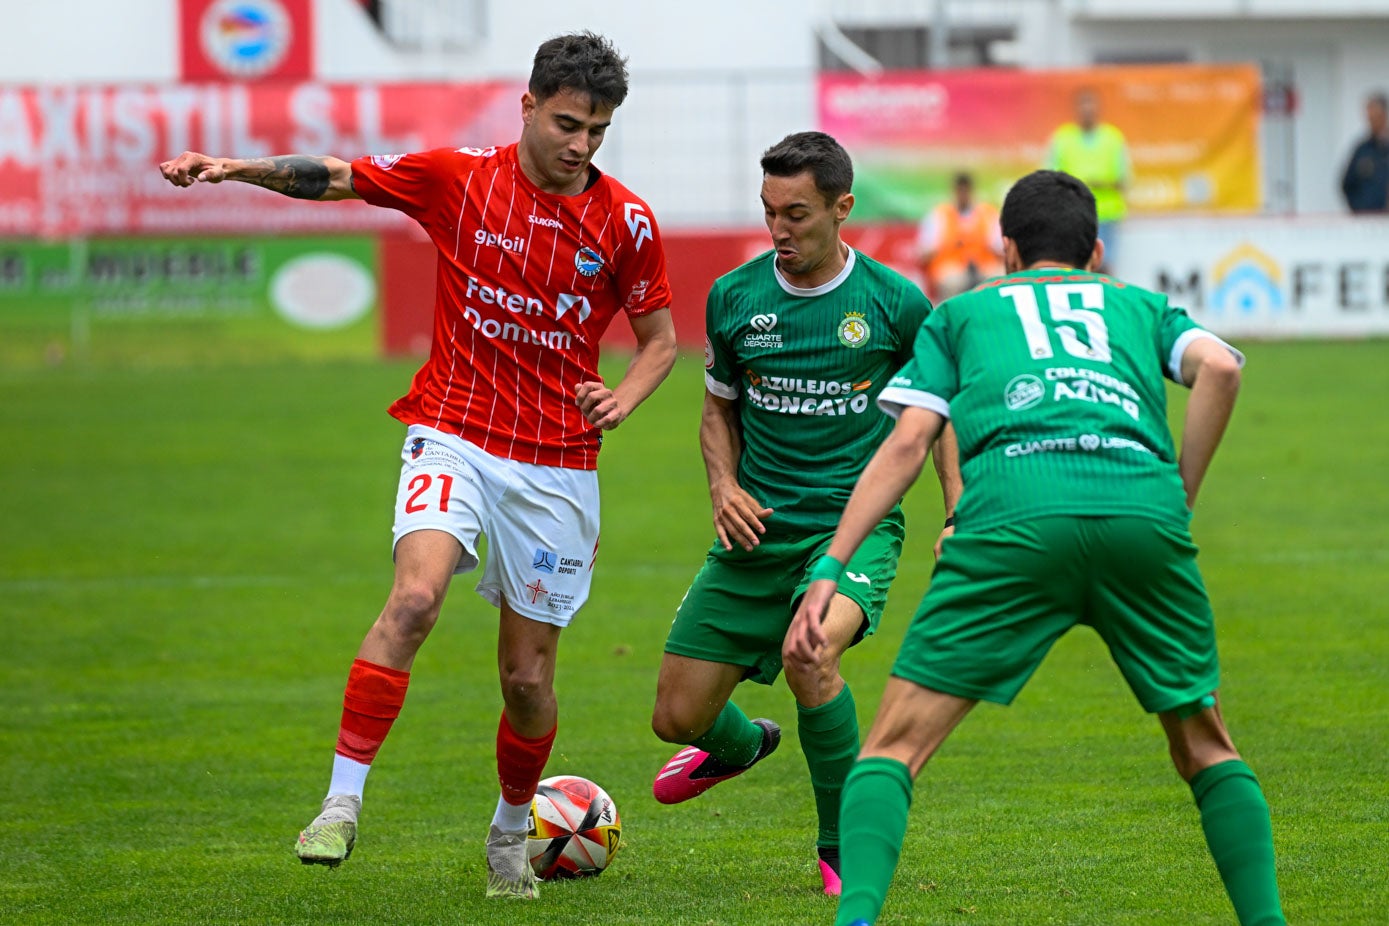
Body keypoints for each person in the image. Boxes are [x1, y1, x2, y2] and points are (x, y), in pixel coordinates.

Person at [158, 31, 677, 900]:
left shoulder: (623, 221)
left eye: (596, 129)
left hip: (556, 464)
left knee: (526, 680)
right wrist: (232, 168)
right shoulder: (458, 178)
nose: (580, 144)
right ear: (527, 106)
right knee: (414, 599)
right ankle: (339, 805)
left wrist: (623, 396)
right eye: (566, 123)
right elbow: (336, 176)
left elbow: (659, 341)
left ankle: (512, 831)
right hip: (454, 429)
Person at [787, 170, 1286, 926]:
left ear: (1007, 248)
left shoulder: (961, 313)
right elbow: (1218, 366)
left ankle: (854, 918)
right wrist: (1176, 496)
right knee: (1205, 747)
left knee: (891, 750)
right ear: (1094, 252)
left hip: (1010, 520)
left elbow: (909, 444)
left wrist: (829, 568)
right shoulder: (1136, 303)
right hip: (1139, 518)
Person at [648, 131, 959, 897]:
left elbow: (940, 411)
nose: (778, 231)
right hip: (756, 533)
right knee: (675, 718)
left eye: (796, 214)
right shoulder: (735, 297)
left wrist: (958, 509)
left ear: (841, 208)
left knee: (809, 651)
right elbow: (716, 412)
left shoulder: (892, 303)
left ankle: (843, 844)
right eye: (768, 213)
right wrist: (723, 487)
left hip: (853, 527)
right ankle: (740, 745)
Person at [1046, 87, 1131, 273]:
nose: (1087, 110)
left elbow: (1124, 180)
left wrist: (1099, 184)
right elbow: (1049, 179)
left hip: (1106, 215)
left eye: (1091, 105)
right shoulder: (1062, 138)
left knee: (1103, 268)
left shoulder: (1113, 138)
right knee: (1074, 267)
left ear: (1098, 109)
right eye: (1083, 106)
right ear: (1076, 109)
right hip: (1071, 216)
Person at [914, 171, 1003, 303]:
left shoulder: (988, 214)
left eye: (966, 191)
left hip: (984, 266)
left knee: (999, 277)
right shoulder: (939, 216)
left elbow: (1000, 249)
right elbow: (924, 252)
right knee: (952, 282)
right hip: (951, 268)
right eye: (960, 191)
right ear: (954, 191)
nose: (963, 195)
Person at [1340, 91, 1389, 213]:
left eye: (1374, 117)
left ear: (1384, 116)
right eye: (1369, 117)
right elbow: (1347, 184)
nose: (1371, 121)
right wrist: (1359, 207)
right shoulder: (1362, 150)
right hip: (1366, 221)